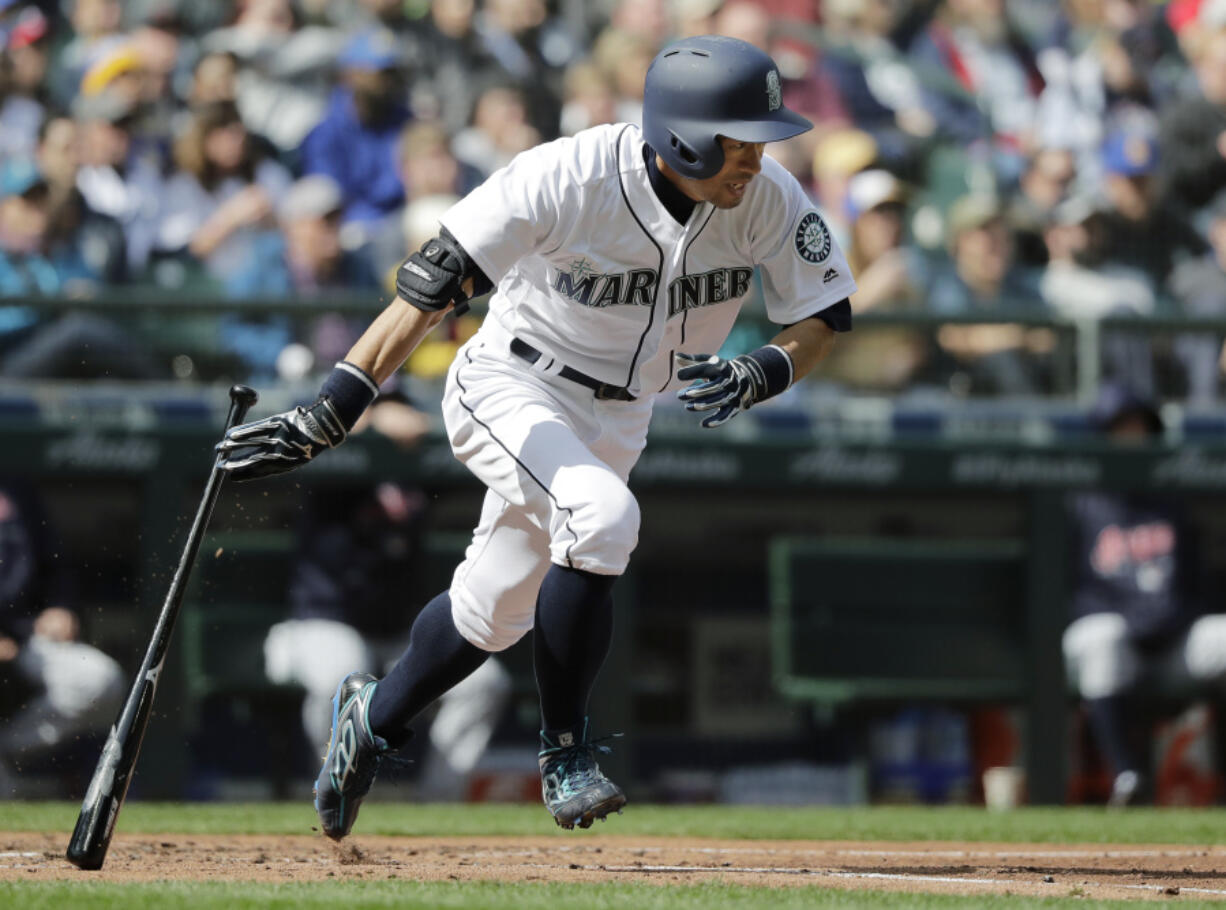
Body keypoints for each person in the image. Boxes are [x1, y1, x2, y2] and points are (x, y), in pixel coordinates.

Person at [216, 35, 855, 837]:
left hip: (623, 410)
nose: (756, 158)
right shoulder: (571, 174)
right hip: (512, 380)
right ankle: (567, 754)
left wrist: (766, 367)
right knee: (603, 517)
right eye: (739, 138)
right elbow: (432, 281)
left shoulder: (764, 196)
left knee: (492, 612)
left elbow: (824, 314)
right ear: (685, 133)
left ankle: (370, 719)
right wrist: (334, 407)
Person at [263, 394, 512, 800]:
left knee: (484, 683)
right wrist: (370, 414)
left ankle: (439, 806)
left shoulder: (411, 470)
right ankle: (337, 795)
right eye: (376, 400)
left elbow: (468, 431)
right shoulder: (334, 446)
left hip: (396, 636)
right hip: (318, 624)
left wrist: (427, 421)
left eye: (393, 402)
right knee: (343, 676)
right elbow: (304, 421)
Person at [1063, 382, 1226, 806]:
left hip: (1172, 644)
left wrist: (1173, 616)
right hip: (1112, 646)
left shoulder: (1172, 500)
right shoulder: (1078, 501)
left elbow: (1198, 584)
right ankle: (1127, 776)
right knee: (1104, 637)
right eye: (1120, 429)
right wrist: (1131, 615)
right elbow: (1067, 592)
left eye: (1138, 428)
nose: (1131, 438)